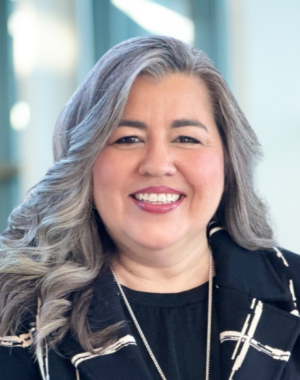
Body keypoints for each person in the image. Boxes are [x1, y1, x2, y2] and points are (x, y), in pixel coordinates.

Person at [0, 35, 300, 380]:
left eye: (186, 138)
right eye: (128, 139)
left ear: (228, 160)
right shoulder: (14, 312)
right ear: (84, 163)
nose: (157, 165)